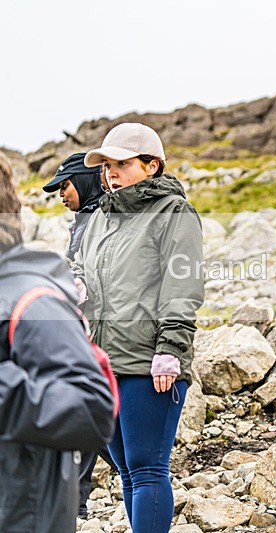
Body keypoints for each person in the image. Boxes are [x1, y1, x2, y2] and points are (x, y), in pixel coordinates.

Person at [73, 123, 205, 533]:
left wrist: (170, 349)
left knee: (148, 469)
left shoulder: (175, 213)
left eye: (121, 163)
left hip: (151, 361)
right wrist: (75, 282)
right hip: (104, 361)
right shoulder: (98, 218)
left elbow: (183, 284)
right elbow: (84, 267)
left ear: (152, 166)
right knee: (128, 471)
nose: (111, 172)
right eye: (106, 165)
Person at [0, 152, 116, 532]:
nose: (60, 196)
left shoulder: (29, 299)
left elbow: (92, 408)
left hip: (22, 517)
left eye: (65, 186)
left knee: (138, 465)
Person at [43, 152, 116, 518]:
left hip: (103, 334)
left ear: (85, 182)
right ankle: (83, 500)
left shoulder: (102, 220)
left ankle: (85, 498)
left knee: (90, 413)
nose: (60, 194)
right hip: (86, 332)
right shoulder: (84, 221)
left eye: (65, 185)